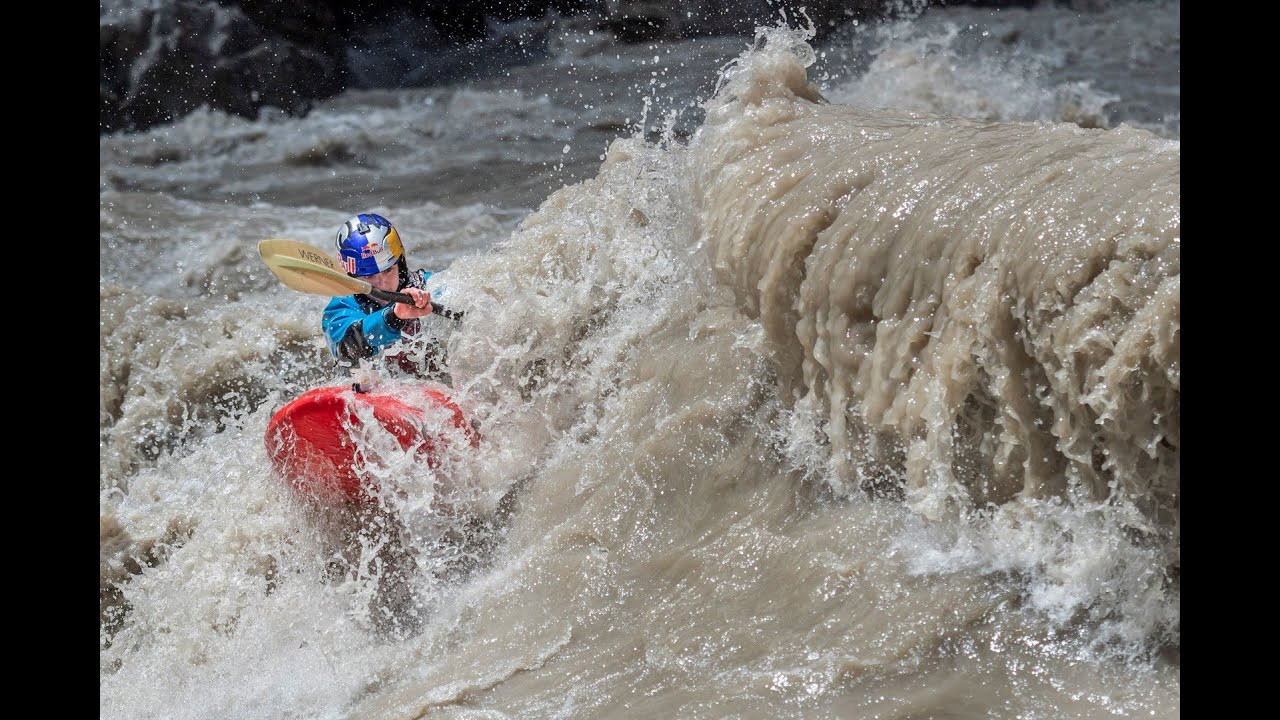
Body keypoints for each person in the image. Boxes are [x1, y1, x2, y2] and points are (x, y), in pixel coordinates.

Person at [322, 212, 445, 378]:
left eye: (388, 270)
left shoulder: (427, 285)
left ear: (400, 264)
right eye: (369, 276)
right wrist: (394, 316)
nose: (382, 284)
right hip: (371, 385)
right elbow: (348, 349)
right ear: (352, 276)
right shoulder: (342, 306)